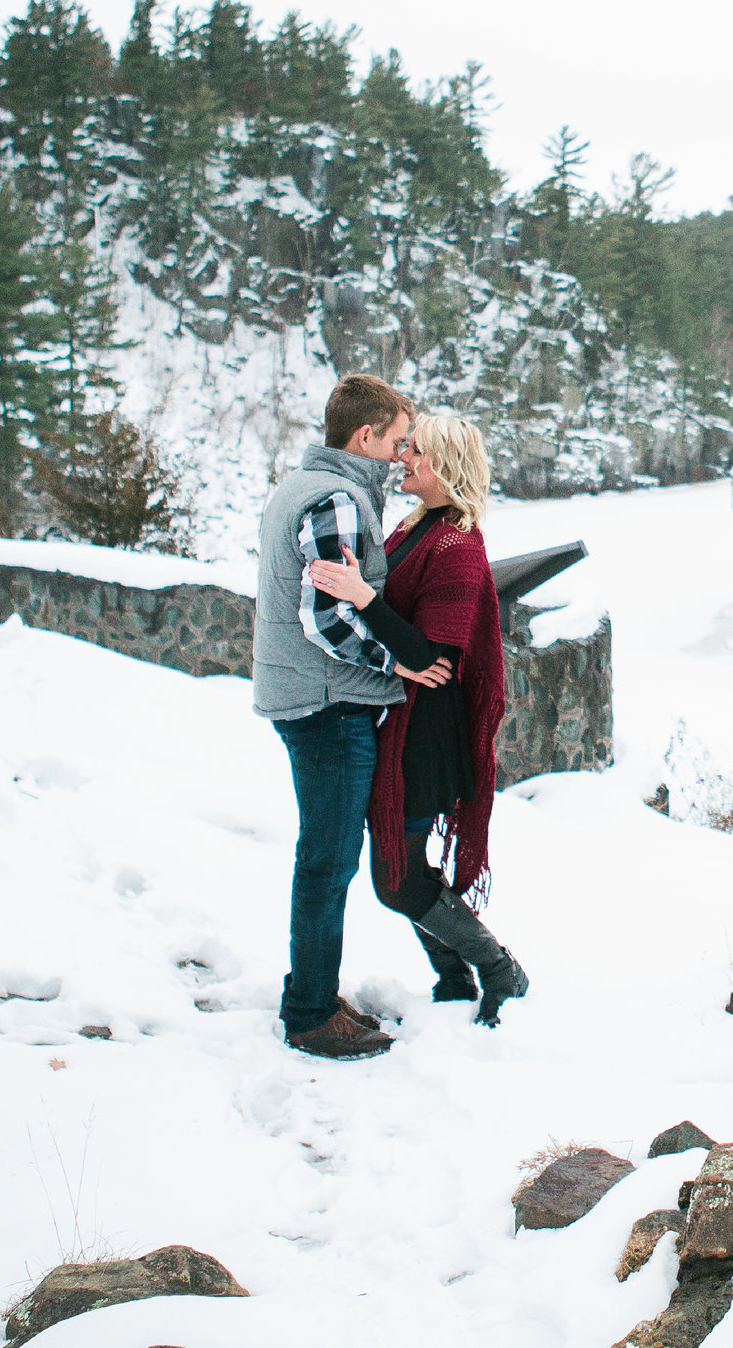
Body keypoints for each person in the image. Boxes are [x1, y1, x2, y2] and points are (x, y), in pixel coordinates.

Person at [252, 375, 454, 1060]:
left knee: (324, 857)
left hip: (312, 698)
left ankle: (312, 988)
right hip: (328, 704)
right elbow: (325, 617)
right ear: (363, 436)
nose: (404, 456)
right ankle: (310, 1013)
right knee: (328, 860)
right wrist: (393, 662)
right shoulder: (337, 499)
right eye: (399, 441)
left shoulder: (306, 484)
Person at [306, 412, 527, 1026]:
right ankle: (454, 976)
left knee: (396, 879)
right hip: (403, 723)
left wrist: (361, 597)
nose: (404, 458)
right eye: (404, 447)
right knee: (405, 868)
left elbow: (435, 658)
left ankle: (497, 965)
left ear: (447, 467)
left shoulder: (456, 542)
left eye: (417, 451)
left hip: (427, 735)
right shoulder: (418, 525)